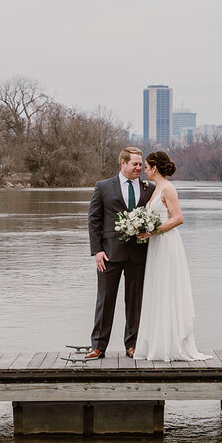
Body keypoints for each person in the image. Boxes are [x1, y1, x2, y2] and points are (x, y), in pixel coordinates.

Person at [133, 152, 210, 362]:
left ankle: (171, 344)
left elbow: (178, 218)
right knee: (157, 290)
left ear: (155, 168)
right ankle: (157, 343)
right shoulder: (155, 188)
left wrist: (153, 231)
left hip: (167, 243)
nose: (144, 171)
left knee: (167, 289)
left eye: (147, 167)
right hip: (157, 244)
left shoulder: (168, 188)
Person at [86, 146, 154, 359]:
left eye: (140, 165)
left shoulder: (148, 188)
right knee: (105, 299)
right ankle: (98, 346)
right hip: (109, 254)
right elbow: (94, 219)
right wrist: (97, 250)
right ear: (123, 163)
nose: (138, 168)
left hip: (138, 254)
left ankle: (132, 345)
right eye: (134, 164)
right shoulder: (103, 186)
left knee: (134, 301)